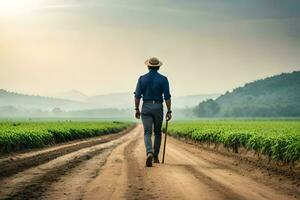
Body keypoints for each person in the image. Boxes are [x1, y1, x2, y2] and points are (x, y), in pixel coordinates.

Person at [134, 57, 172, 167]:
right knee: (157, 132)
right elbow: (167, 97)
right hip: (158, 106)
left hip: (146, 106)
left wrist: (137, 109)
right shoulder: (163, 79)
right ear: (158, 67)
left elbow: (137, 96)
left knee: (147, 132)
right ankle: (155, 156)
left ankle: (149, 152)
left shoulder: (142, 79)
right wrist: (169, 111)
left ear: (148, 66)